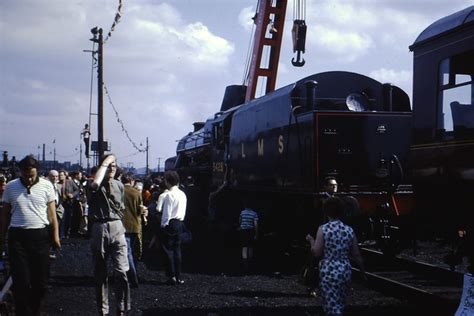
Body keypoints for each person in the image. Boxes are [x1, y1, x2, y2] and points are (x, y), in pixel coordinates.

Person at [0, 155, 60, 316]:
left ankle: (35, 310)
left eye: (32, 175)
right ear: (20, 172)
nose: (29, 178)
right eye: (26, 175)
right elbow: (4, 215)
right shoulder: (11, 187)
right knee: (22, 281)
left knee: (41, 283)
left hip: (40, 236)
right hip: (18, 237)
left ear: (37, 172)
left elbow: (52, 214)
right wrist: (1, 239)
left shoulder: (47, 186)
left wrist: (55, 237)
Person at [306, 196, 365, 316]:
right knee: (340, 303)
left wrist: (311, 241)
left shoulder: (323, 229)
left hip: (329, 270)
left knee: (331, 306)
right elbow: (356, 254)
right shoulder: (349, 230)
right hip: (345, 269)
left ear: (326, 211)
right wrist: (362, 271)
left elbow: (316, 252)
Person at [88, 154, 130, 316]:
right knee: (100, 273)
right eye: (109, 166)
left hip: (117, 226)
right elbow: (93, 186)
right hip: (99, 226)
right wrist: (105, 163)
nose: (112, 168)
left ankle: (121, 308)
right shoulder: (94, 184)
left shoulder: (119, 185)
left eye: (114, 166)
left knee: (121, 272)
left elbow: (122, 207)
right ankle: (103, 310)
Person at [160, 171, 187, 285]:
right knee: (177, 250)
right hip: (180, 223)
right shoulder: (182, 194)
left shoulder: (169, 195)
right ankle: (178, 276)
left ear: (168, 181)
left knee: (168, 250)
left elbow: (166, 213)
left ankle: (171, 276)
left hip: (170, 223)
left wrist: (163, 225)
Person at [121, 174, 147, 288]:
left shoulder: (119, 192)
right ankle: (132, 275)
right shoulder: (136, 193)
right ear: (131, 181)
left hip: (122, 225)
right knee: (131, 251)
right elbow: (139, 210)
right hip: (134, 225)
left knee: (126, 252)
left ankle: (131, 277)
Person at [238, 200, 258, 273]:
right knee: (250, 246)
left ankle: (245, 266)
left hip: (243, 230)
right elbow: (255, 224)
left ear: (245, 205)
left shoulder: (242, 212)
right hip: (251, 231)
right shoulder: (254, 213)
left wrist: (240, 226)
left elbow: (240, 221)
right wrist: (256, 233)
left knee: (244, 247)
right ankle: (250, 264)